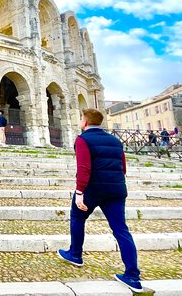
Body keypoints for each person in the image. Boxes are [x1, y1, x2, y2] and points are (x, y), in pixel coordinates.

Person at [58, 108, 142, 293]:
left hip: (93, 188)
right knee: (121, 229)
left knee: (78, 218)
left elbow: (84, 168)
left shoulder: (83, 139)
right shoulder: (115, 141)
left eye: (81, 118)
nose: (80, 121)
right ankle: (133, 276)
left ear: (85, 122)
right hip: (117, 189)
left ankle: (75, 254)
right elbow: (123, 167)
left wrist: (79, 192)